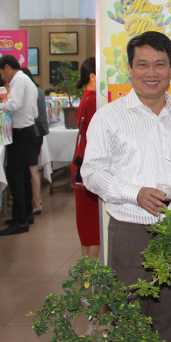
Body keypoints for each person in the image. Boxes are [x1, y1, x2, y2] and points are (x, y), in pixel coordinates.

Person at [81, 32, 171, 342]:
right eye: (142, 64)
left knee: (167, 319)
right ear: (129, 69)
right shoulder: (110, 116)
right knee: (126, 322)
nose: (151, 72)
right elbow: (91, 172)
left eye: (159, 64)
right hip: (130, 233)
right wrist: (135, 193)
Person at [0, 55, 38, 235]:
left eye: (1, 73)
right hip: (27, 130)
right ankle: (24, 215)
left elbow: (14, 104)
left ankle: (21, 221)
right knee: (22, 174)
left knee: (14, 175)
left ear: (6, 67)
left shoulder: (18, 79)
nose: (2, 78)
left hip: (21, 132)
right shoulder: (27, 80)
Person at [72, 57, 100, 259]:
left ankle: (86, 273)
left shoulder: (86, 98)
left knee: (86, 224)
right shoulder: (94, 101)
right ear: (92, 76)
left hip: (80, 164)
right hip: (90, 165)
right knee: (92, 226)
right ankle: (91, 275)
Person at [20, 67, 48, 216]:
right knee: (33, 168)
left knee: (32, 169)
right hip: (38, 133)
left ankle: (36, 203)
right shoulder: (38, 90)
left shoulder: (31, 92)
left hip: (33, 133)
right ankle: (37, 201)